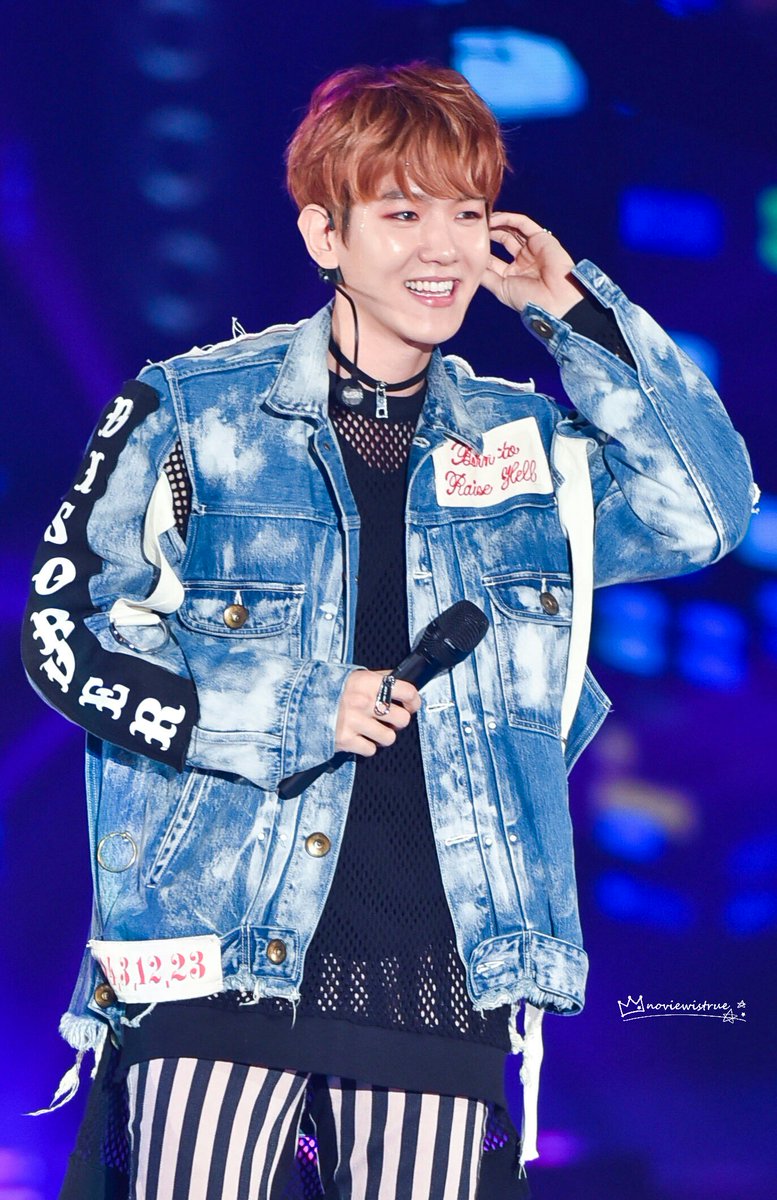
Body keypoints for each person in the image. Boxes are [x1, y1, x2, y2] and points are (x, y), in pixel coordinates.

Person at [22, 62, 755, 1200]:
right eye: (403, 215)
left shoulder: (524, 453)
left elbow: (704, 511)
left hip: (442, 967)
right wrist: (294, 708)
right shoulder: (193, 414)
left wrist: (573, 314)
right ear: (326, 234)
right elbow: (65, 636)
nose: (443, 249)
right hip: (217, 946)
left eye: (465, 213)